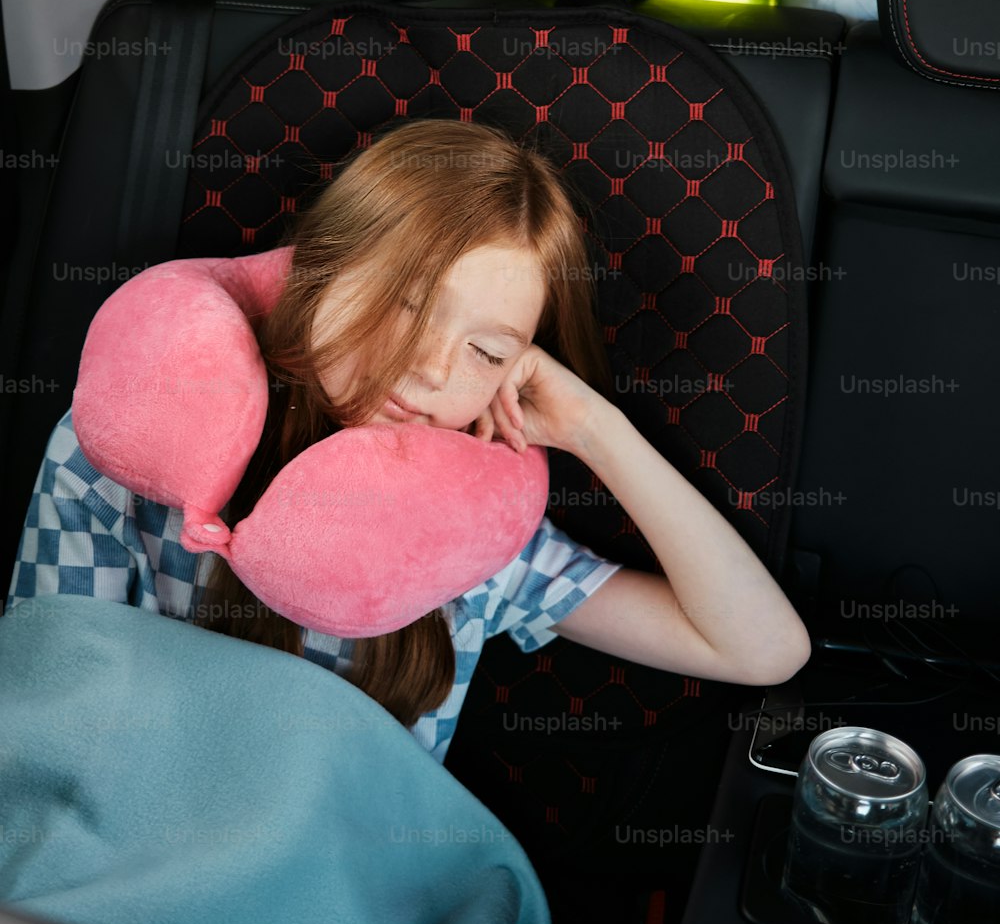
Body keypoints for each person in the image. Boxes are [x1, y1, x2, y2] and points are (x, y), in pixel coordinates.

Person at [6, 117, 810, 764]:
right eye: (406, 305)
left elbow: (759, 650)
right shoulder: (118, 451)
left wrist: (599, 432)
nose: (430, 370)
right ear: (313, 274)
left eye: (488, 352)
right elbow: (58, 718)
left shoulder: (474, 540)